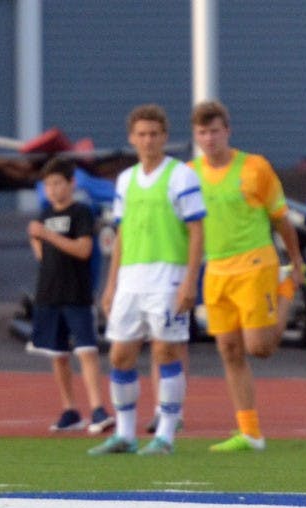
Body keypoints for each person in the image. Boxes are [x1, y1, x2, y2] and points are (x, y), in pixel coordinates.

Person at [87, 104, 205, 456]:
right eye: (142, 134)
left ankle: (166, 434)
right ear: (132, 138)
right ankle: (125, 434)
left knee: (166, 350)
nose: (148, 140)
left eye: (154, 134)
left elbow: (196, 231)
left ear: (165, 137)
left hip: (168, 277)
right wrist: (110, 286)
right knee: (121, 355)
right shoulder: (125, 180)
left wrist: (189, 282)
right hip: (130, 280)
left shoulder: (181, 176)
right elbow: (121, 234)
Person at [189, 100, 305, 452]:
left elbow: (281, 219)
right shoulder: (189, 174)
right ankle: (250, 432)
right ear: (196, 136)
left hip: (255, 263)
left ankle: (286, 290)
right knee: (228, 349)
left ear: (227, 131)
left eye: (215, 131)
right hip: (216, 269)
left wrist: (296, 261)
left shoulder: (254, 168)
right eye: (202, 133)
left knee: (260, 348)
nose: (209, 139)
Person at [26, 157, 114, 434]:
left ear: (70, 184)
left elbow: (83, 250)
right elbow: (41, 253)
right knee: (58, 354)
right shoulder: (43, 216)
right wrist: (38, 239)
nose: (52, 190)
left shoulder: (81, 213)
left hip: (76, 293)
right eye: (47, 184)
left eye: (57, 183)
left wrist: (48, 237)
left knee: (86, 350)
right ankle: (70, 410)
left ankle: (98, 408)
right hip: (48, 294)